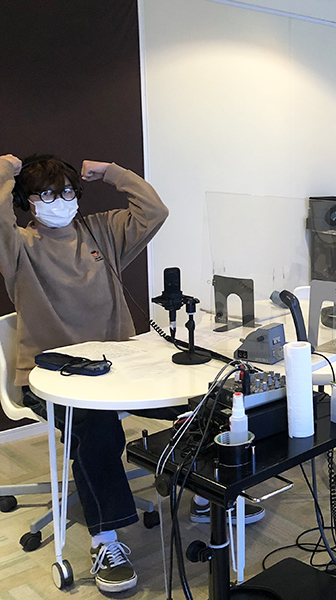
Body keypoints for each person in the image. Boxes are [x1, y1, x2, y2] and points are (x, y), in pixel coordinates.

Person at [0, 153, 262, 593]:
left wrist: (113, 174)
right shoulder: (19, 247)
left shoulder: (100, 232)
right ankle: (105, 540)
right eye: (46, 194)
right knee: (95, 426)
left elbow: (154, 211)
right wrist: (4, 174)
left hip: (119, 368)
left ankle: (205, 495)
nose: (60, 201)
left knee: (205, 399)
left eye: (67, 192)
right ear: (27, 202)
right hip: (51, 380)